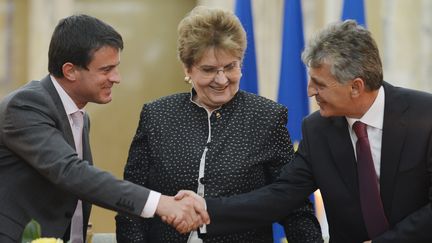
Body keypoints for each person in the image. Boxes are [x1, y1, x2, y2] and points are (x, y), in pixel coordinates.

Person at [175, 20, 432, 242]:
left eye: (319, 84)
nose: (309, 91)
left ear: (355, 87)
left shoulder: (426, 116)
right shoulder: (317, 129)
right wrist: (205, 209)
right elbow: (280, 195)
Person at [115, 6, 322, 243]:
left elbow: (294, 206)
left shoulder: (266, 118)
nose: (222, 79)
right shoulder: (157, 115)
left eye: (231, 67)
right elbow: (132, 202)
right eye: (209, 70)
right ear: (187, 68)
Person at [0, 14, 208, 243]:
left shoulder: (79, 115)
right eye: (106, 69)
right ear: (70, 71)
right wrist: (160, 203)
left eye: (116, 68)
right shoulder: (25, 106)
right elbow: (71, 173)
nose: (116, 78)